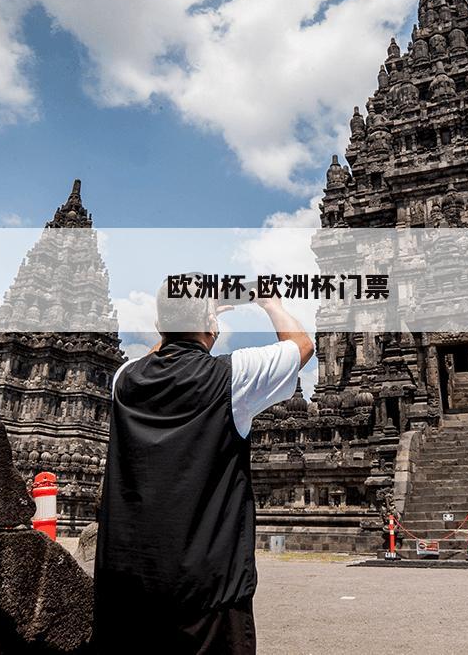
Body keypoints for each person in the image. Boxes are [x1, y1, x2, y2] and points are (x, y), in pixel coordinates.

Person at [93, 274, 314, 654]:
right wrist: (270, 304)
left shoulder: (122, 380)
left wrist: (182, 322)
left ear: (160, 327)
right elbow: (301, 345)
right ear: (212, 326)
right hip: (207, 592)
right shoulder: (232, 377)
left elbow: (154, 352)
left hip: (126, 591)